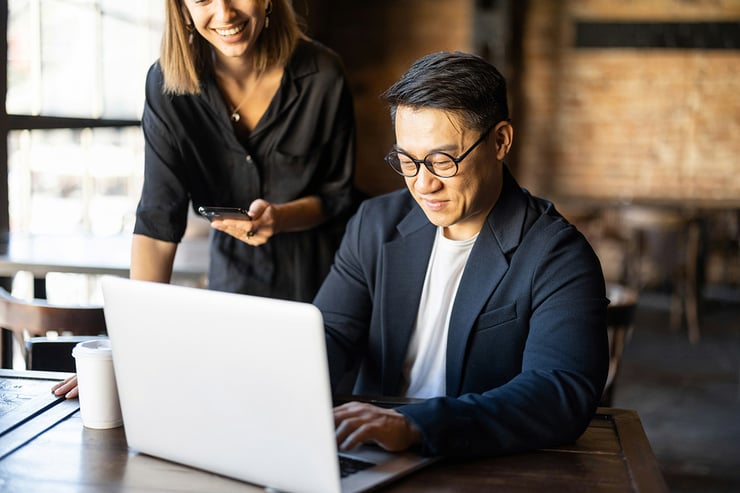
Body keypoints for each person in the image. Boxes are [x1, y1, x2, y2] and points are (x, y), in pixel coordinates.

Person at [52, 0, 356, 399]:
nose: (225, 13)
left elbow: (338, 197)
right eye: (202, 0)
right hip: (231, 292)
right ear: (182, 10)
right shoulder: (168, 86)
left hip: (322, 293)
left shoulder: (323, 73)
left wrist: (279, 218)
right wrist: (129, 350)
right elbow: (158, 220)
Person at [319, 51, 609, 457]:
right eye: (407, 161)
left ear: (500, 141)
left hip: (477, 457)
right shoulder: (375, 223)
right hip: (372, 448)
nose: (422, 185)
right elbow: (329, 334)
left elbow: (560, 390)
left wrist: (415, 426)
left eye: (442, 160)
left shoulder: (556, 254)